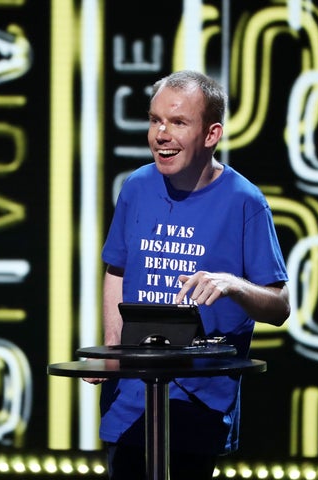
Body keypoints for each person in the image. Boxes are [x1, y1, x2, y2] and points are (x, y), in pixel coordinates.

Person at [84, 70, 291, 479]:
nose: (162, 133)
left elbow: (280, 305)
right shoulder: (136, 187)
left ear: (212, 134)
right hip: (131, 397)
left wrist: (232, 284)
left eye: (178, 122)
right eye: (155, 120)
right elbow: (117, 268)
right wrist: (112, 345)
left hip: (200, 403)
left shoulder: (245, 201)